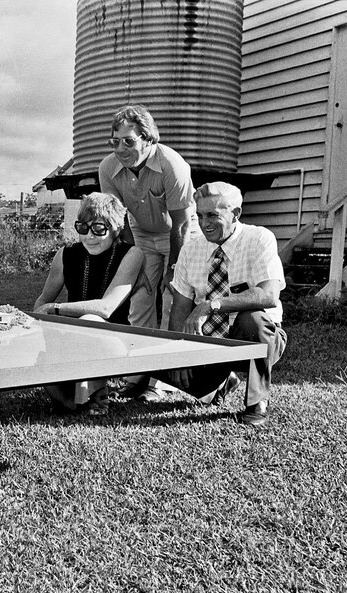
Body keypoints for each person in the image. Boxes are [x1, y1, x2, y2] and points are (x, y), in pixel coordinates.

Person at [159, 181, 288, 426]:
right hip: (208, 339)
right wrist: (179, 355)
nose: (204, 224)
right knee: (160, 363)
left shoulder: (260, 238)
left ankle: (256, 403)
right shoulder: (189, 250)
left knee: (253, 320)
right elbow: (180, 308)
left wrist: (210, 305)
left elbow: (268, 295)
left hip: (253, 336)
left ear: (236, 214)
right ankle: (221, 382)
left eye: (212, 215)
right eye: (199, 216)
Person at [98, 104, 197, 401]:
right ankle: (138, 376)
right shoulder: (108, 168)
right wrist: (134, 262)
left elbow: (181, 223)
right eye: (115, 142)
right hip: (141, 234)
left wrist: (173, 270)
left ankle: (160, 383)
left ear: (148, 138)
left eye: (129, 141)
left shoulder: (172, 164)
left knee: (171, 301)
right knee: (139, 299)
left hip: (178, 236)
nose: (121, 149)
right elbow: (119, 220)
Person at [33, 192, 144, 411]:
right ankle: (78, 395)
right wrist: (38, 324)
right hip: (70, 338)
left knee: (90, 319)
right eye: (83, 228)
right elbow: (43, 300)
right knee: (68, 404)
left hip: (113, 341)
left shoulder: (132, 254)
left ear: (115, 228)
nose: (89, 237)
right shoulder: (65, 254)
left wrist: (55, 309)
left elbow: (106, 308)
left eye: (99, 229)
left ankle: (91, 390)